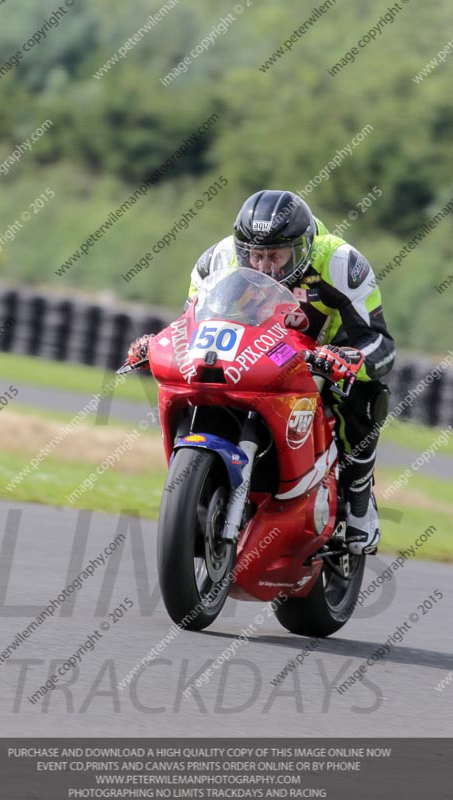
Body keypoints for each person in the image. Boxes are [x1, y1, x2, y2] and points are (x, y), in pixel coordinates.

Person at [127, 190, 395, 555]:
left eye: (277, 256)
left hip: (320, 360)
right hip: (254, 353)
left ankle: (360, 503)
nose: (267, 267)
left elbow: (380, 344)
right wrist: (155, 344)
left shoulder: (341, 262)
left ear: (301, 247)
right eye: (257, 255)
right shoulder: (216, 260)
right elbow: (191, 321)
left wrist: (346, 360)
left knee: (366, 394)